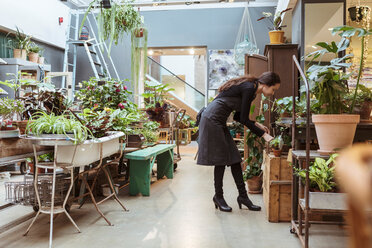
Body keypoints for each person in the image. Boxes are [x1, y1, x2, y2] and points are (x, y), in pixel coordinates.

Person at [196, 72, 280, 212]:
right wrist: (264, 134)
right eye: (273, 89)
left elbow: (239, 117)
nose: (273, 93)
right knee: (220, 160)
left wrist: (257, 124)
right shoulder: (249, 88)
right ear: (265, 85)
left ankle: (243, 197)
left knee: (235, 159)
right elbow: (243, 119)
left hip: (218, 120)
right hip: (212, 119)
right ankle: (219, 196)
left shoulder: (251, 91)